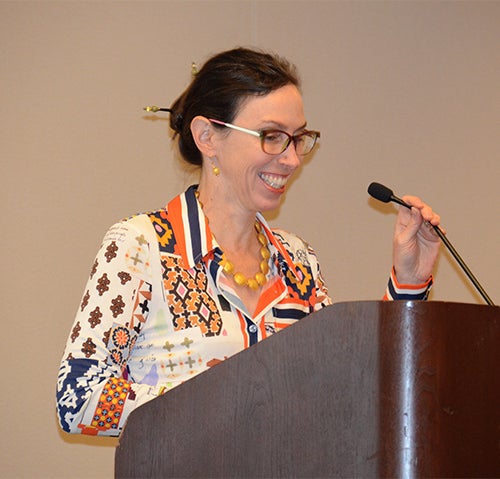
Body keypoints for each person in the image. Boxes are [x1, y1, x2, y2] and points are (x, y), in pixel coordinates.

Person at [56, 47, 441, 436]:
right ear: (208, 136)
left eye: (299, 138)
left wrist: (409, 282)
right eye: (272, 137)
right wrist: (226, 402)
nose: (291, 159)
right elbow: (77, 397)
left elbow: (349, 392)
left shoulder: (297, 260)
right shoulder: (142, 247)